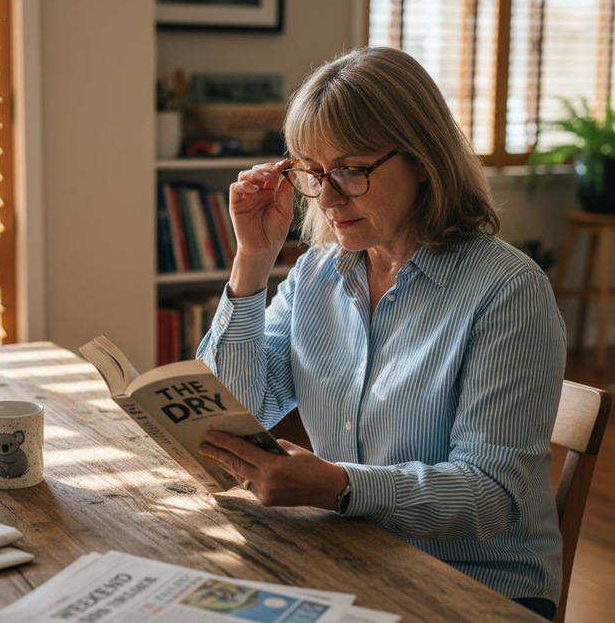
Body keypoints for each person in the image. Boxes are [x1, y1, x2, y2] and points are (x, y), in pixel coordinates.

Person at [195, 47, 566, 621]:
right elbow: (241, 409)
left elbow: (490, 497)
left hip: (480, 588)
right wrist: (252, 260)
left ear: (423, 159)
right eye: (314, 174)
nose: (331, 198)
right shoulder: (318, 272)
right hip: (351, 553)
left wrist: (339, 486)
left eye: (352, 169)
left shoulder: (508, 292)